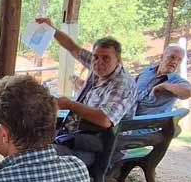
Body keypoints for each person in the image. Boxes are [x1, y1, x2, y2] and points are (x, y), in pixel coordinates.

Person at [33, 18, 135, 167]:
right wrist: (52, 29)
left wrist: (69, 104)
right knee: (31, 137)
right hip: (79, 135)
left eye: (106, 58)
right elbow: (73, 48)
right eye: (96, 57)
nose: (99, 62)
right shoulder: (97, 67)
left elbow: (105, 119)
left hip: (102, 146)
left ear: (118, 60)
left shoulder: (121, 84)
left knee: (44, 155)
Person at [130, 43, 191, 116]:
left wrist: (164, 86)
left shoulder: (175, 80)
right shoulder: (147, 71)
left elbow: (189, 91)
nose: (175, 62)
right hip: (129, 118)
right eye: (172, 57)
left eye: (179, 60)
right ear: (162, 57)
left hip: (152, 122)